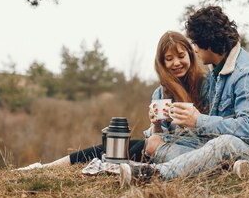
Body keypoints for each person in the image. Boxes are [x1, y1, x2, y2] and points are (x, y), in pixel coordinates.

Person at [120, 6, 249, 185]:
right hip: (217, 145)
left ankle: (154, 174)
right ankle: (225, 169)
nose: (195, 50)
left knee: (224, 143)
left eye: (195, 44)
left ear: (208, 44)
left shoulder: (247, 74)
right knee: (155, 142)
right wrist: (163, 126)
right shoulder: (216, 72)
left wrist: (198, 120)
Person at [14, 31, 209, 170]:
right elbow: (157, 135)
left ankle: (45, 168)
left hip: (187, 152)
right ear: (162, 63)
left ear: (190, 56)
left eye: (181, 56)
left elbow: (210, 130)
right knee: (113, 146)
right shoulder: (161, 93)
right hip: (158, 147)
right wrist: (155, 124)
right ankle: (46, 167)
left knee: (121, 148)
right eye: (169, 58)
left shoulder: (205, 85)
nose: (176, 63)